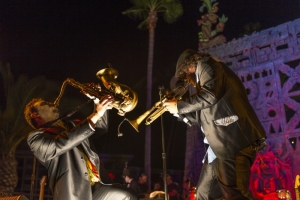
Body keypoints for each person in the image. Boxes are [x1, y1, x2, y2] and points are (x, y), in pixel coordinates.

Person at [163, 49, 267, 199]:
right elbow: (199, 118)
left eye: (185, 76)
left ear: (189, 67)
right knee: (204, 195)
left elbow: (210, 96)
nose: (187, 80)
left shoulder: (207, 64)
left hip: (233, 142)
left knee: (234, 193)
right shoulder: (204, 84)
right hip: (217, 148)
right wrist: (174, 110)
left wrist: (179, 105)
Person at [24, 95, 138, 200]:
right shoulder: (35, 137)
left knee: (128, 196)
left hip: (97, 187)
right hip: (74, 194)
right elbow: (60, 144)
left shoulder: (72, 125)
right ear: (35, 115)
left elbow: (99, 127)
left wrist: (97, 100)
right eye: (44, 104)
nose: (51, 103)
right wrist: (96, 114)